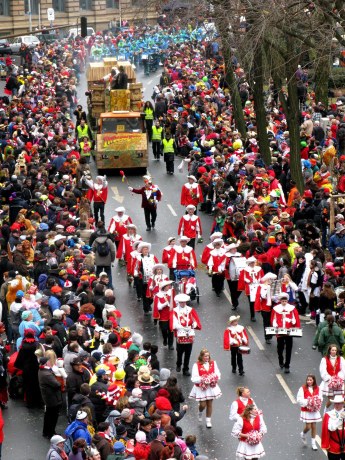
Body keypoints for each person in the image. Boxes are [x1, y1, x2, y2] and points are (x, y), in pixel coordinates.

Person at [170, 293, 202, 376]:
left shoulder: (191, 310)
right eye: (181, 302)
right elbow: (174, 322)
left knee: (188, 353)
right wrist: (181, 327)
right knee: (179, 352)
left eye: (184, 302)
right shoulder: (175, 311)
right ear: (179, 302)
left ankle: (186, 369)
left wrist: (193, 325)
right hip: (180, 333)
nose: (183, 304)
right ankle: (178, 363)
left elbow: (195, 320)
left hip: (189, 333)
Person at [189, 348, 221, 428]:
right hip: (201, 387)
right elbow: (194, 378)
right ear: (201, 356)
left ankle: (208, 421)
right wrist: (203, 379)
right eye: (205, 356)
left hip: (210, 387)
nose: (207, 357)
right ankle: (200, 412)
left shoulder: (213, 363)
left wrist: (213, 378)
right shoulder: (196, 365)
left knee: (209, 403)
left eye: (208, 356)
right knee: (203, 405)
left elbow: (217, 373)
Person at [271, 292, 300, 373]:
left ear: (287, 301)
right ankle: (281, 360)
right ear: (280, 301)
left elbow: (295, 318)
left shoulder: (292, 308)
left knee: (289, 348)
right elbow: (273, 319)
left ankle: (287, 365)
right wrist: (275, 326)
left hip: (289, 331)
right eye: (282, 301)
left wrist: (293, 322)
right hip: (280, 330)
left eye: (285, 301)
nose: (284, 302)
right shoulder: (276, 308)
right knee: (280, 348)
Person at [38, 356, 63, 439]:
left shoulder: (42, 371)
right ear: (46, 363)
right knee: (53, 416)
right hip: (52, 398)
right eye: (48, 361)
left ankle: (46, 431)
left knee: (48, 415)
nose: (50, 362)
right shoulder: (46, 374)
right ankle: (51, 432)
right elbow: (57, 384)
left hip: (48, 397)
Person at [297, 374, 322, 451]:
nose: (309, 381)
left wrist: (316, 403)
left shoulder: (318, 388)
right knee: (308, 427)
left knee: (314, 426)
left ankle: (313, 443)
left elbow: (320, 398)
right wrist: (309, 402)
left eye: (311, 380)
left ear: (314, 380)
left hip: (314, 410)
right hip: (306, 410)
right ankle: (303, 434)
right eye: (308, 380)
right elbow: (299, 399)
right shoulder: (302, 388)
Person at [133, 242, 159, 314]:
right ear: (141, 250)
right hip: (143, 279)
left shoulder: (152, 257)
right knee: (145, 294)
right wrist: (136, 274)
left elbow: (157, 265)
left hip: (152, 278)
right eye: (144, 249)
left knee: (152, 294)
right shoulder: (138, 258)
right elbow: (135, 267)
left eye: (147, 249)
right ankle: (146, 309)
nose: (146, 251)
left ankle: (149, 304)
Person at [238, 257, 264, 322]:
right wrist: (248, 280)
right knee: (251, 302)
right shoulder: (245, 270)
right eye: (251, 263)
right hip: (250, 287)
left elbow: (261, 276)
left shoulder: (259, 269)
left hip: (257, 286)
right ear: (249, 263)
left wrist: (259, 280)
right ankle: (252, 316)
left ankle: (258, 308)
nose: (253, 264)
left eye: (253, 263)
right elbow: (243, 277)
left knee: (258, 299)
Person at [254, 273, 277, 344]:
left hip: (273, 307)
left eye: (273, 279)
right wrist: (268, 290)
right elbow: (263, 296)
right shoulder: (261, 287)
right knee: (266, 322)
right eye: (271, 279)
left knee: (273, 322)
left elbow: (276, 297)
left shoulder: (274, 286)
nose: (272, 281)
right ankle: (267, 337)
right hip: (265, 308)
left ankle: (271, 334)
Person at [319, 344, 345, 409]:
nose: (334, 351)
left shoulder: (341, 359)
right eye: (332, 350)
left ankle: (338, 414)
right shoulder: (324, 359)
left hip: (338, 383)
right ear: (329, 351)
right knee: (330, 400)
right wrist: (330, 379)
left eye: (335, 350)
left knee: (339, 400)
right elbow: (323, 370)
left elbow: (343, 369)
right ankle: (325, 412)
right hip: (329, 383)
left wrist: (338, 378)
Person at [321, 394, 345, 459]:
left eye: (339, 403)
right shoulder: (329, 414)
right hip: (333, 445)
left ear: (343, 404)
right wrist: (340, 419)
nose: (337, 405)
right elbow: (331, 428)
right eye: (336, 403)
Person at [153, 280, 175, 349]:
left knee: (171, 330)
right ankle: (165, 339)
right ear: (164, 287)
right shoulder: (158, 296)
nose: (169, 286)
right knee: (164, 330)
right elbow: (158, 307)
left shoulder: (170, 293)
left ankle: (170, 344)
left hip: (170, 315)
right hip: (163, 316)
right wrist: (166, 303)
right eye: (168, 285)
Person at [224, 243, 243, 311]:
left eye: (235, 248)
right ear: (230, 249)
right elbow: (224, 264)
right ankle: (234, 304)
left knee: (240, 289)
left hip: (239, 275)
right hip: (230, 275)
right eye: (234, 248)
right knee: (232, 290)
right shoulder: (226, 256)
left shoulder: (239, 255)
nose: (235, 249)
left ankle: (235, 299)